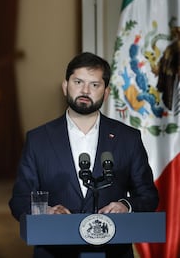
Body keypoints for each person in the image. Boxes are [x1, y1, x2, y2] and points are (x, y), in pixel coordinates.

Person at [9, 52, 159, 258]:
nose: (85, 90)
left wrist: (126, 205)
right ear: (65, 86)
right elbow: (19, 199)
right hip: (54, 252)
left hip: (113, 252)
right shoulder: (38, 139)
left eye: (95, 85)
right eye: (78, 81)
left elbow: (149, 196)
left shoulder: (128, 138)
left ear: (106, 92)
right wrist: (46, 212)